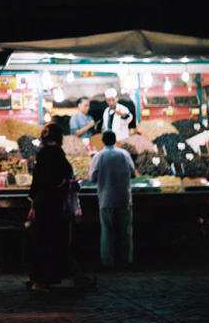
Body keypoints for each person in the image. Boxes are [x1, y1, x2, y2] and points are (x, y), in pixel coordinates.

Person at [27, 123, 93, 291]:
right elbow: (61, 176)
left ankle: (36, 278)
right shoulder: (56, 153)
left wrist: (32, 206)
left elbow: (36, 183)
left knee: (41, 241)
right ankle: (40, 281)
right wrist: (68, 184)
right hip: (53, 205)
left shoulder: (41, 154)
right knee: (52, 242)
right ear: (59, 138)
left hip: (43, 203)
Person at [88, 130, 136, 269]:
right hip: (124, 198)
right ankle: (126, 260)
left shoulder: (98, 156)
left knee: (107, 231)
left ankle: (107, 261)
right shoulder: (124, 154)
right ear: (115, 140)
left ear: (102, 141)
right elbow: (133, 174)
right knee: (126, 231)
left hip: (106, 198)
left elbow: (92, 178)